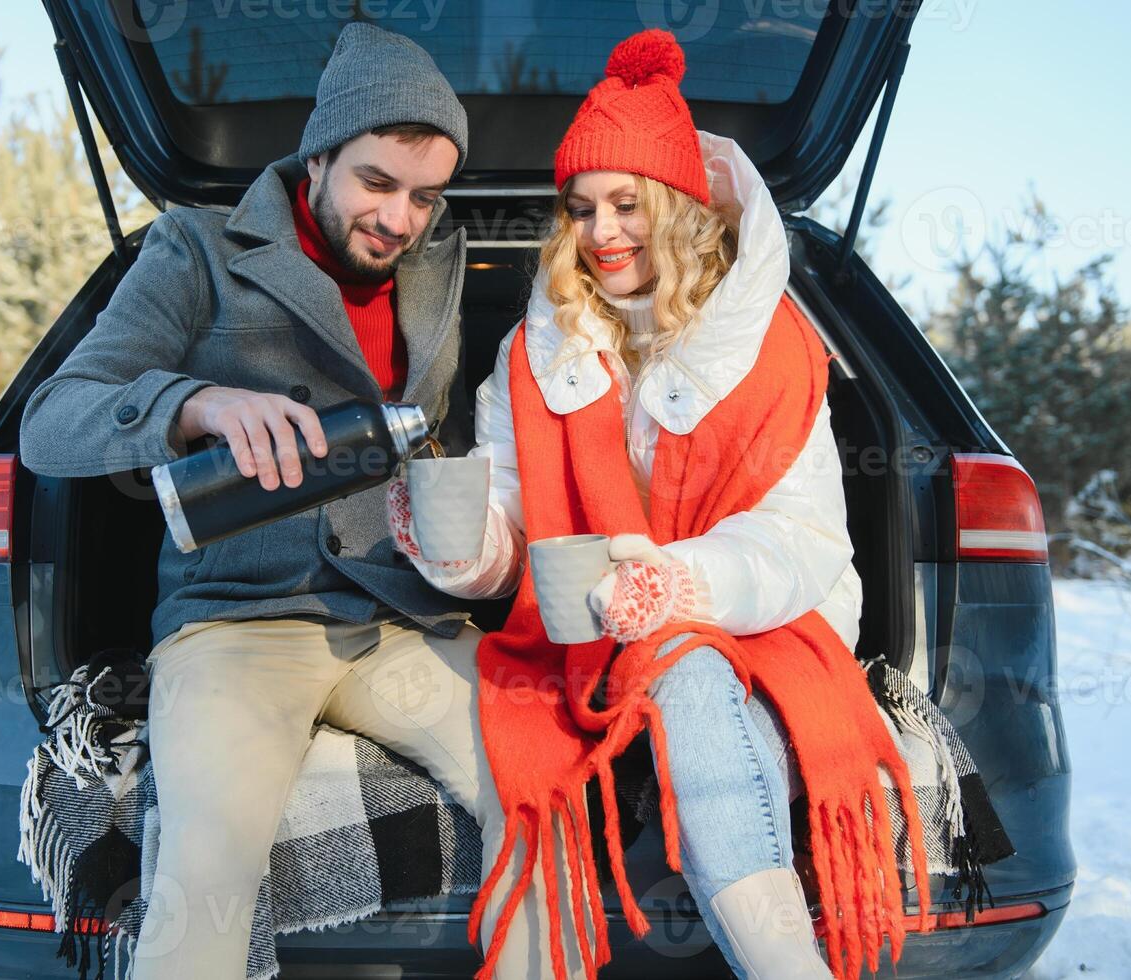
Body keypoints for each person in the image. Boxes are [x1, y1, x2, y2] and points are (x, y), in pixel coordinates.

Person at [19, 22, 569, 979]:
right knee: (204, 870)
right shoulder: (195, 249)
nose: (400, 220)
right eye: (376, 183)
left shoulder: (440, 263)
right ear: (318, 154)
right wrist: (192, 402)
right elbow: (53, 422)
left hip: (401, 620)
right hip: (237, 625)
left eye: (424, 196)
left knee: (542, 797)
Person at [387, 29, 932, 980]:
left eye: (627, 204)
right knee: (661, 661)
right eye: (582, 208)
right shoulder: (531, 359)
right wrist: (459, 550)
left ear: (679, 210)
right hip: (588, 636)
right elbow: (513, 533)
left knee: (680, 660)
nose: (600, 233)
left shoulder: (772, 351)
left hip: (765, 620)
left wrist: (676, 583)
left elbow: (800, 542)